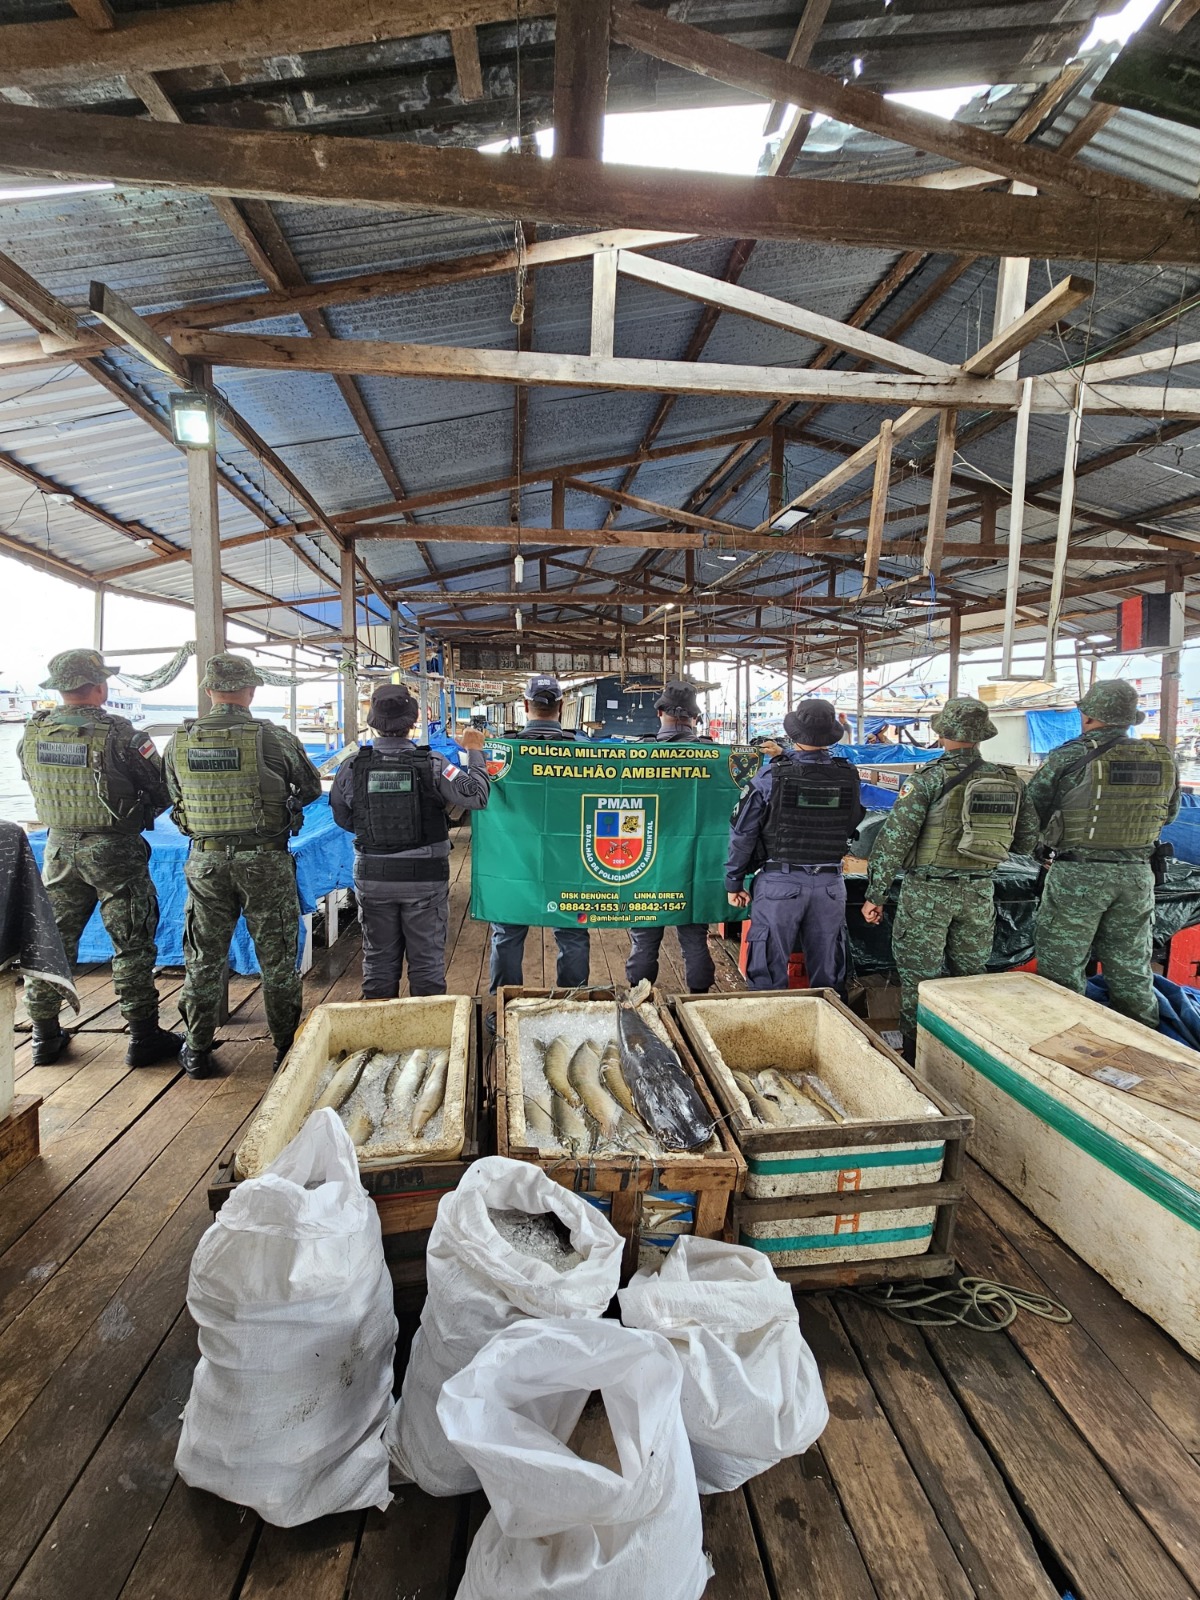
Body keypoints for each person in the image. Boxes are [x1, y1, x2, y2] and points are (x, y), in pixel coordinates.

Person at [18, 649, 181, 1068]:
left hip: (58, 848)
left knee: (53, 940)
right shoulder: (123, 735)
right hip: (114, 850)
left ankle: (43, 1034)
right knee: (131, 942)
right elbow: (163, 790)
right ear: (98, 686)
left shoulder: (34, 732)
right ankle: (143, 1035)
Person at [164, 653, 322, 1078]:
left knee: (202, 957)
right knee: (277, 960)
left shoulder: (180, 741)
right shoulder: (274, 738)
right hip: (265, 860)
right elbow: (309, 788)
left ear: (208, 690)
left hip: (206, 861)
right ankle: (285, 1048)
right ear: (251, 691)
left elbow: (172, 794)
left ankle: (196, 1049)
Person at [862, 697, 1039, 1056]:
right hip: (979, 893)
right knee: (969, 982)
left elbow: (895, 840)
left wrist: (875, 894)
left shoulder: (927, 780)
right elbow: (1025, 842)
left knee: (919, 981)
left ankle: (916, 1057)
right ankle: (964, 1056)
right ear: (980, 736)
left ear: (941, 733)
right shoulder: (1009, 780)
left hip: (927, 895)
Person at [1025, 679, 1180, 1030]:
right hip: (1138, 876)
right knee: (1131, 969)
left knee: (1063, 968)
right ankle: (1145, 1049)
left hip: (1079, 876)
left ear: (1088, 716)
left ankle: (1064, 1042)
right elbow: (1169, 815)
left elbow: (1031, 812)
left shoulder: (1070, 755)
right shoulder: (1162, 756)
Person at [330, 683, 490, 998]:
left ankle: (380, 1037)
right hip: (425, 878)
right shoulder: (433, 764)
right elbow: (477, 796)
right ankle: (428, 1038)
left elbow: (343, 816)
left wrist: (377, 837)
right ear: (414, 720)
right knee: (427, 964)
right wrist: (474, 750)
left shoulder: (352, 765)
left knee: (377, 962)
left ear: (372, 720)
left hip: (373, 875)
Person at [725, 698, 865, 992]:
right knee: (829, 974)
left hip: (780, 882)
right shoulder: (848, 775)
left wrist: (734, 881)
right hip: (831, 884)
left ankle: (770, 1032)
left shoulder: (770, 776)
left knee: (767, 971)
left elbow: (743, 833)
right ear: (831, 735)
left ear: (794, 734)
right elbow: (852, 821)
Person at [489, 675, 591, 992]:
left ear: (524, 706)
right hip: (570, 864)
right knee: (573, 935)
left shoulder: (502, 751)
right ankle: (572, 1003)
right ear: (561, 707)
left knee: (506, 934)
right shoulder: (586, 750)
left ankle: (503, 1006)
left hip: (514, 862)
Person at [626, 680, 716, 994]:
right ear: (696, 718)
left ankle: (641, 999)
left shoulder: (636, 754)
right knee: (695, 939)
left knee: (644, 938)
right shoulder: (715, 757)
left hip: (645, 864)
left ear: (660, 713)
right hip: (696, 867)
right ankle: (699, 1004)